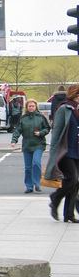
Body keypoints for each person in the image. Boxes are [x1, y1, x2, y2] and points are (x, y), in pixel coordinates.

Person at [44, 84, 79, 223]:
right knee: (72, 179)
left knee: (75, 183)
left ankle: (69, 215)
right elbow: (57, 131)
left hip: (77, 150)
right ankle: (55, 198)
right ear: (74, 94)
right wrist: (53, 153)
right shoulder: (64, 108)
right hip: (65, 150)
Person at [11, 98, 50, 194]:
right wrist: (14, 140)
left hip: (38, 144)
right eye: (30, 106)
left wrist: (41, 133)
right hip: (27, 145)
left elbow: (47, 128)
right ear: (27, 108)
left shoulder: (41, 117)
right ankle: (29, 186)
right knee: (28, 167)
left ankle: (37, 183)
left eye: (33, 106)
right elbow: (18, 130)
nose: (31, 108)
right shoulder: (23, 119)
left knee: (36, 163)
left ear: (35, 107)